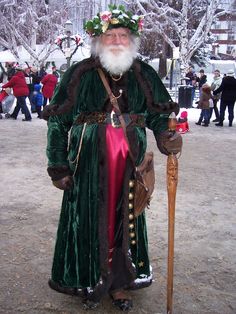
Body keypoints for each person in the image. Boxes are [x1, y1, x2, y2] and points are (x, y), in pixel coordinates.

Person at [43, 4, 182, 311]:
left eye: (123, 35)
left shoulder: (144, 73)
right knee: (89, 218)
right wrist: (58, 165)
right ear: (98, 40)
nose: (117, 40)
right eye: (111, 35)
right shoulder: (80, 73)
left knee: (126, 217)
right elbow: (57, 122)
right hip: (89, 162)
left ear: (131, 40)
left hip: (130, 161)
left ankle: (119, 283)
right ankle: (89, 280)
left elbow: (159, 116)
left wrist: (166, 137)